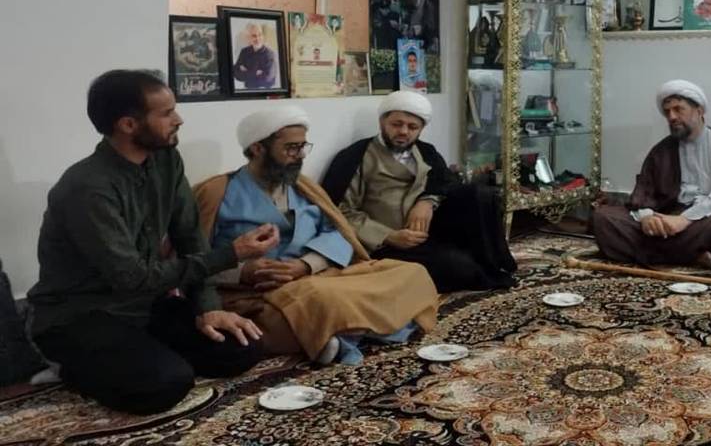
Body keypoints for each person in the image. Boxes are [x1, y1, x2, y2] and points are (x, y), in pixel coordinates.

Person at [28, 70, 276, 414]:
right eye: (166, 113)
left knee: (243, 349)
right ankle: (67, 366)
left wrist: (208, 307)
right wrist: (231, 254)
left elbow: (190, 236)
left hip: (144, 305)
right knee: (166, 384)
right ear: (128, 125)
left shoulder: (165, 160)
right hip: (82, 315)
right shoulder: (87, 188)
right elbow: (130, 278)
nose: (179, 120)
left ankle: (141, 354)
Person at [194, 107, 439, 365]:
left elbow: (339, 233)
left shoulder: (303, 186)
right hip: (260, 293)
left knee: (412, 273)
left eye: (303, 147)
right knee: (319, 300)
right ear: (257, 149)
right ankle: (353, 329)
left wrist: (306, 264)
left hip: (318, 276)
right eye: (291, 148)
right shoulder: (215, 193)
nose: (300, 155)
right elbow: (192, 261)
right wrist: (243, 271)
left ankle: (337, 333)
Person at [323, 91, 517, 292]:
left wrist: (427, 202)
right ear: (382, 122)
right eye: (397, 124)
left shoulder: (426, 151)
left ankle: (492, 260)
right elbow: (341, 213)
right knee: (461, 268)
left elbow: (445, 183)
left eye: (412, 127)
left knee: (479, 194)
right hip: (388, 243)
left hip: (429, 230)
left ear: (421, 129)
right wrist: (388, 236)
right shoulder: (356, 157)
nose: (403, 131)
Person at [592, 80, 711, 267]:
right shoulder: (662, 150)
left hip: (704, 219)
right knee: (603, 218)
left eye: (679, 109)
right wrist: (647, 217)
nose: (672, 117)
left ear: (699, 110)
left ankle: (653, 253)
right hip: (666, 217)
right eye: (667, 112)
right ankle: (692, 256)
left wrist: (684, 219)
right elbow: (645, 191)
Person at [233, 23, 277, 89]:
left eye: (260, 35)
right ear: (249, 38)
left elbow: (267, 78)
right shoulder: (244, 52)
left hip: (265, 92)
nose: (257, 38)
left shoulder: (270, 54)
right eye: (254, 36)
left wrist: (247, 72)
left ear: (263, 36)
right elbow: (236, 73)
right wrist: (256, 73)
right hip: (248, 91)